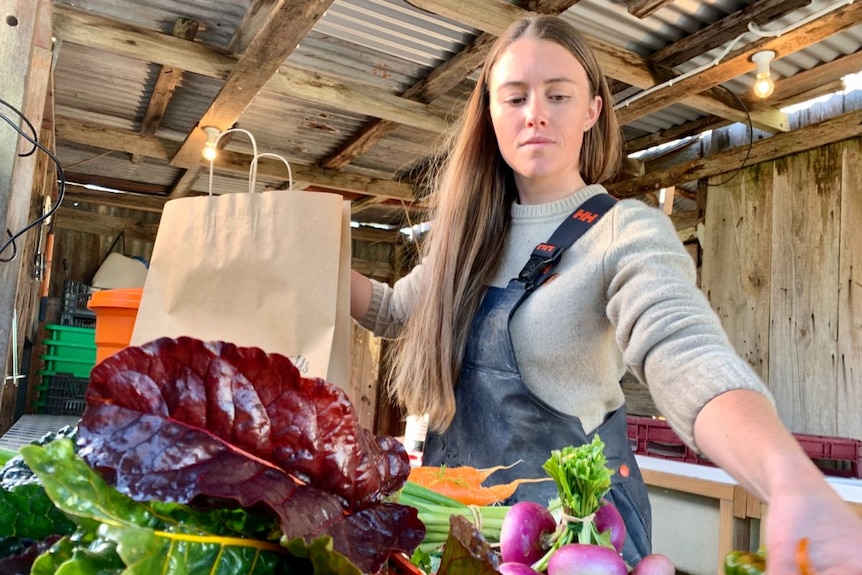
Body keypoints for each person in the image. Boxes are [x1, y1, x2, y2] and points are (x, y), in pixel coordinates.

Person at [350, 14, 862, 573]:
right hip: (459, 535)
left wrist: (790, 482)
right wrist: (293, 257)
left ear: (593, 110)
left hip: (573, 542)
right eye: (515, 97)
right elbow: (394, 311)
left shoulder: (623, 233)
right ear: (491, 115)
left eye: (559, 95)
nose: (536, 113)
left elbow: (681, 348)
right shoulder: (468, 241)